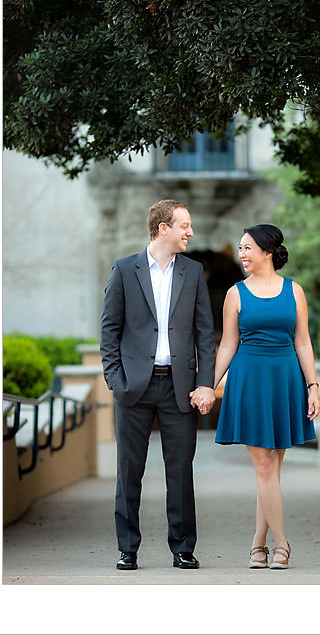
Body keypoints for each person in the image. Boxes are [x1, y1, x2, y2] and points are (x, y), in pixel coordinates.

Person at [100, 199, 216, 571]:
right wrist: (115, 380)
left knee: (180, 472)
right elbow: (109, 330)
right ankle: (127, 548)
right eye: (185, 225)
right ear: (163, 228)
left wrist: (204, 385)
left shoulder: (193, 272)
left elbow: (204, 335)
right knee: (129, 470)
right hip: (133, 387)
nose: (191, 232)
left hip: (179, 388)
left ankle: (183, 548)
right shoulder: (124, 270)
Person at [208, 224, 320, 569]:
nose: (241, 254)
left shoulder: (295, 291)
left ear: (267, 251)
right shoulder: (235, 294)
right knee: (264, 465)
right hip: (249, 381)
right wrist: (208, 385)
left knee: (270, 470)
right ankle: (282, 545)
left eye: (247, 248)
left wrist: (313, 386)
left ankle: (258, 544)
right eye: (240, 248)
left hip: (286, 380)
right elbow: (228, 343)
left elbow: (302, 341)